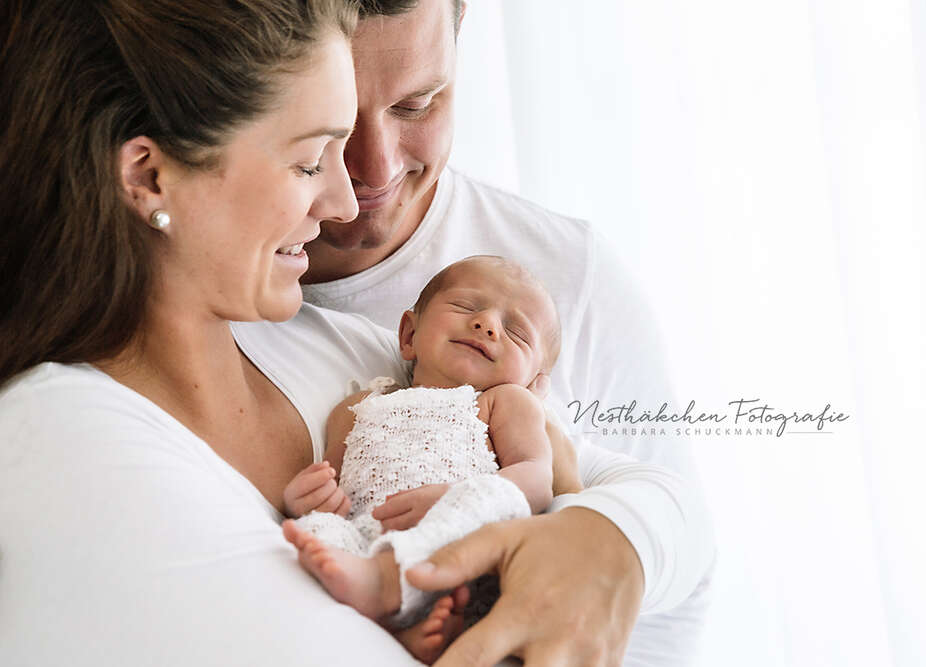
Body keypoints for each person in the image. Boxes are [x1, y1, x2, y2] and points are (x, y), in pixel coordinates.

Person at [0, 1, 691, 666]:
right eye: (311, 159)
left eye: (418, 103)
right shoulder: (67, 447)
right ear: (149, 178)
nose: (350, 197)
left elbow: (643, 488)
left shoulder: (341, 347)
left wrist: (614, 537)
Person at [298, 1, 718, 664]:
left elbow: (679, 575)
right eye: (336, 115)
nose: (374, 169)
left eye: (420, 103)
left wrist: (614, 540)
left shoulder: (569, 277)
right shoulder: (228, 304)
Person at [283, 255, 574, 663]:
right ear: (409, 334)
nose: (487, 323)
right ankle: (394, 624)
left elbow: (536, 481)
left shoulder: (502, 403)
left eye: (516, 332)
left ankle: (391, 587)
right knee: (318, 528)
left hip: (463, 546)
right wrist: (308, 498)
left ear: (534, 384)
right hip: (369, 535)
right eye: (466, 307)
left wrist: (454, 496)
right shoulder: (359, 406)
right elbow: (334, 485)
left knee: (488, 496)